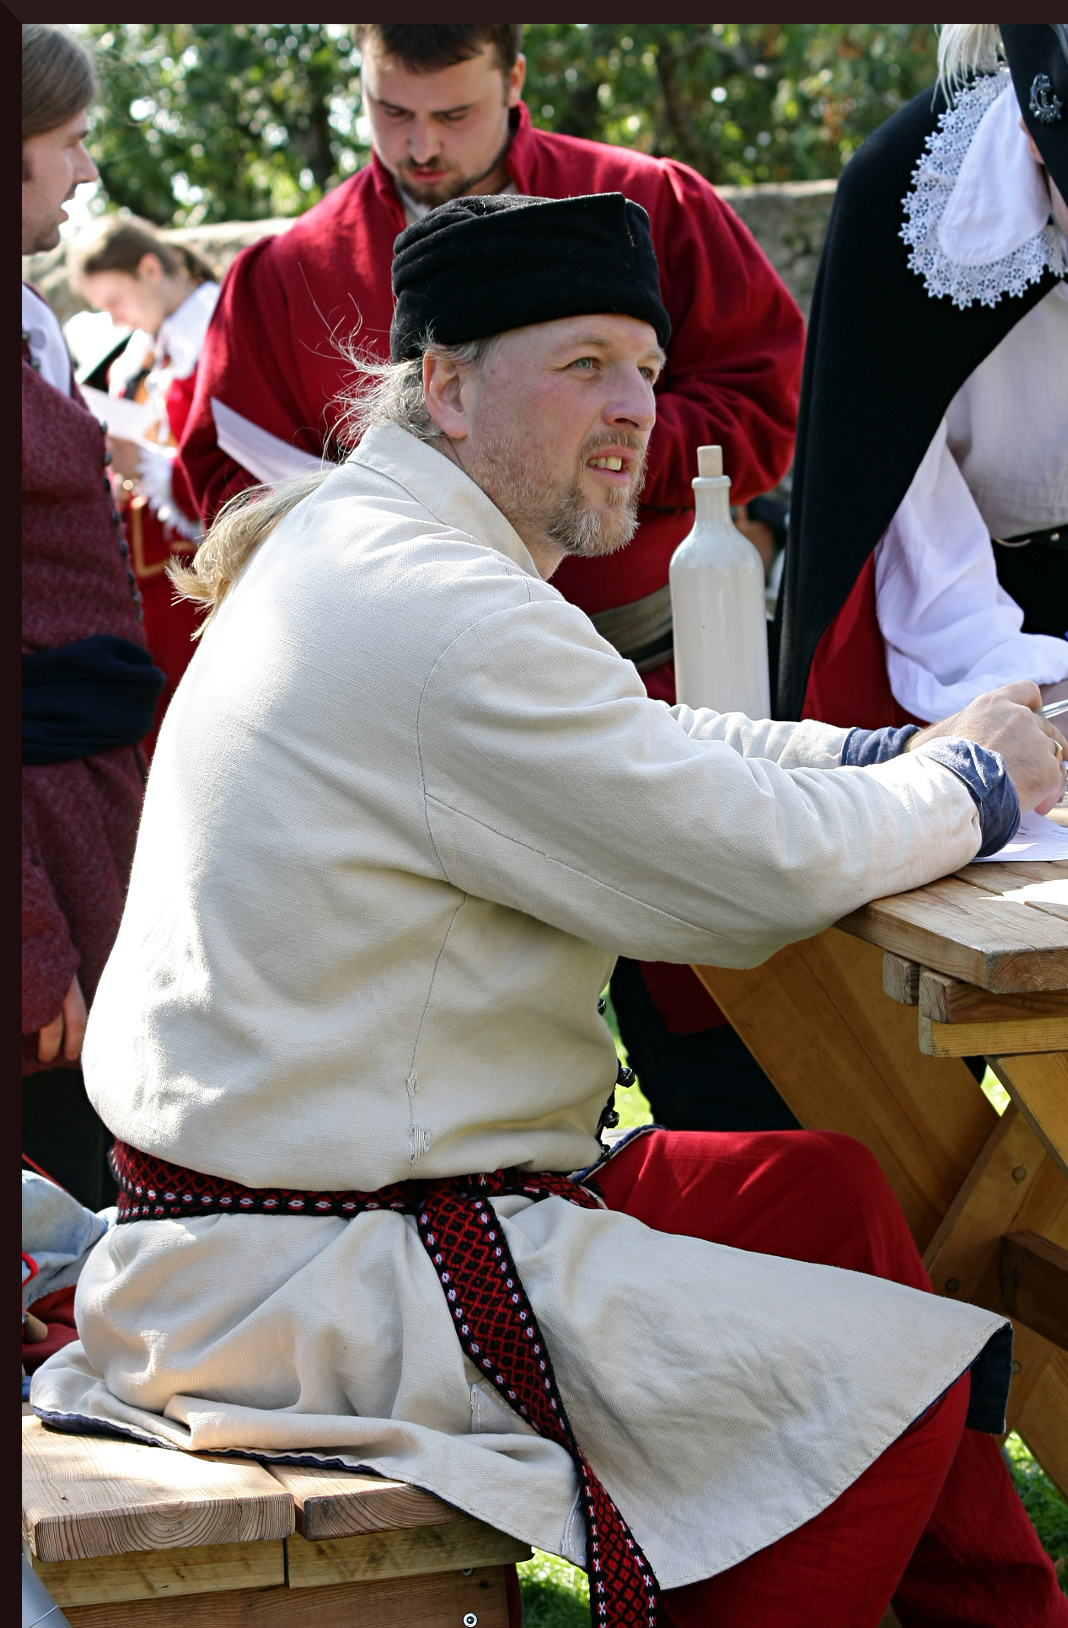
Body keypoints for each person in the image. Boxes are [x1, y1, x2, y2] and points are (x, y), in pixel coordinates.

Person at [34, 192, 1068, 1628]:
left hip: (326, 1218)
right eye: (581, 365)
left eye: (645, 365)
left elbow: (652, 748)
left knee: (815, 1195)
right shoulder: (433, 604)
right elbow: (738, 869)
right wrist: (976, 784)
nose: (636, 405)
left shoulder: (394, 550)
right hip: (324, 1272)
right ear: (444, 386)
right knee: (876, 1388)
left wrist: (898, 755)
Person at [176, 22, 807, 1130]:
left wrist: (580, 451)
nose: (420, 145)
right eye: (391, 111)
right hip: (414, 747)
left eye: (453, 112)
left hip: (658, 679)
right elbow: (224, 479)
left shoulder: (650, 204)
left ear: (513, 79)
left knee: (733, 1065)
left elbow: (768, 394)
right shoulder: (282, 274)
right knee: (475, 1071)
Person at [778, 23, 1068, 767]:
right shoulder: (911, 198)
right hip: (974, 606)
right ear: (1038, 142)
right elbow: (901, 489)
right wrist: (1023, 680)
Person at [22, 25, 164, 1211]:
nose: (85, 172)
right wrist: (28, 943)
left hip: (85, 814)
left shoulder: (28, 320)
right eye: (68, 143)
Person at [69, 218, 220, 743]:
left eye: (115, 301)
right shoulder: (141, 348)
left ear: (150, 269)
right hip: (152, 572)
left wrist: (151, 466)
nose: (113, 318)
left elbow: (229, 459)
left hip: (204, 569)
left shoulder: (215, 327)